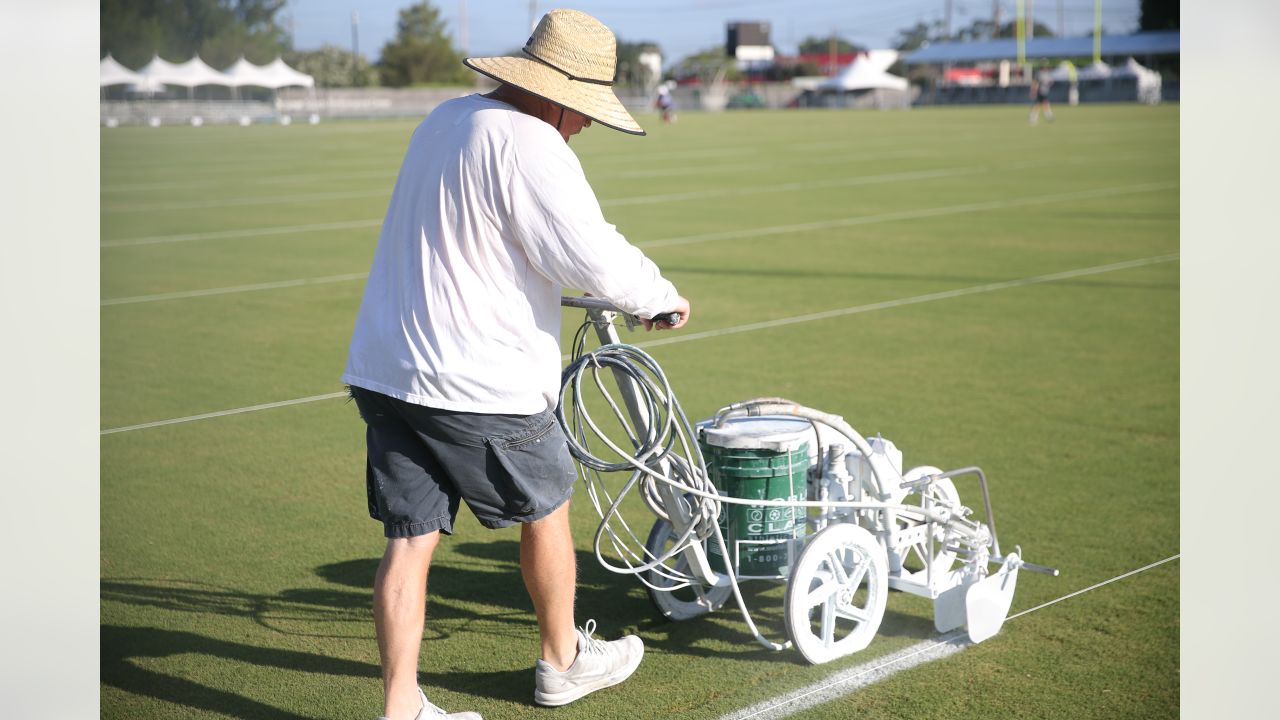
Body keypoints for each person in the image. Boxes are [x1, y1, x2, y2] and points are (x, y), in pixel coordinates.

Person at [340, 8, 690, 720]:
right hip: (476, 379)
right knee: (549, 504)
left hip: (389, 366)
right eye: (585, 109)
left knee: (409, 542)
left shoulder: (446, 118)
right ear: (557, 93)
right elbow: (584, 252)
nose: (587, 123)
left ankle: (400, 706)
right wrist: (660, 297)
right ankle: (561, 663)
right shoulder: (530, 143)